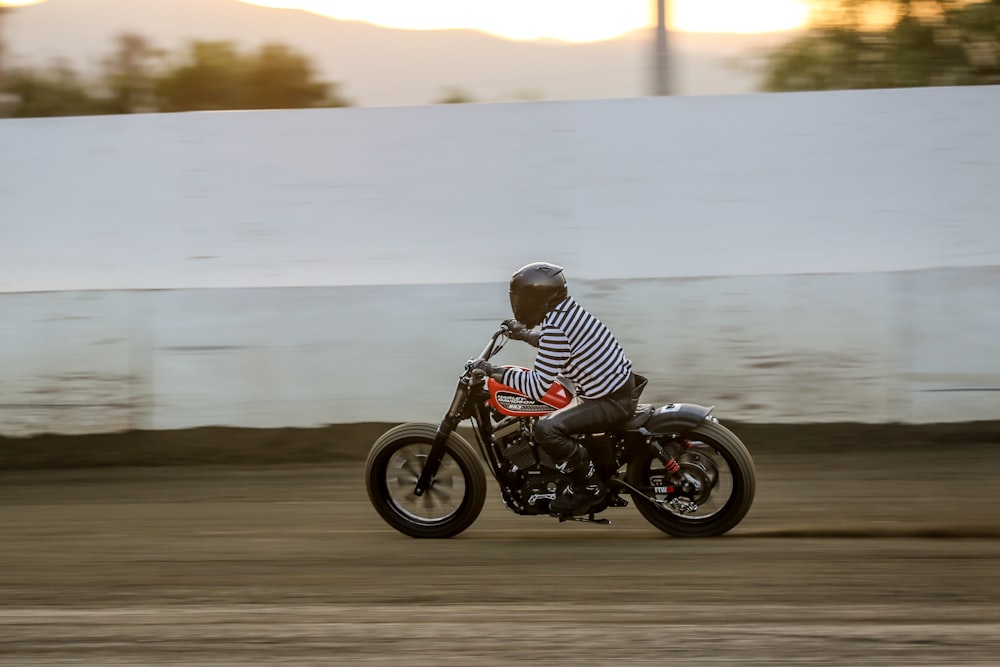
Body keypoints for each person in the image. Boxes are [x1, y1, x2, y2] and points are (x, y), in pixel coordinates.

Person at [472, 262, 640, 516]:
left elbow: (538, 386)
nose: (517, 304)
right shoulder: (566, 313)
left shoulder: (556, 327)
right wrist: (524, 334)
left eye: (520, 298)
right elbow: (555, 344)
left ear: (535, 299)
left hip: (609, 399)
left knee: (546, 428)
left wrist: (494, 371)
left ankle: (589, 488)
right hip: (614, 388)